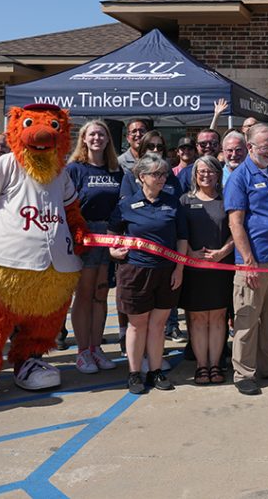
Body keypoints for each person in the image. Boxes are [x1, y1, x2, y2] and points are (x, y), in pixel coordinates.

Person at [107, 155, 188, 395]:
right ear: (141, 177)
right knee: (137, 324)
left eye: (164, 174)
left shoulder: (174, 204)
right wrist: (114, 250)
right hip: (135, 272)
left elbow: (182, 239)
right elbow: (112, 236)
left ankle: (155, 370)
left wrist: (179, 269)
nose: (162, 178)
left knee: (158, 325)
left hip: (166, 272)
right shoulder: (126, 205)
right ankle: (134, 373)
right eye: (156, 174)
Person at [225, 123, 268, 396]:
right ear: (250, 147)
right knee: (247, 319)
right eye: (264, 147)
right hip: (254, 261)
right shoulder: (239, 177)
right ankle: (244, 372)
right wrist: (248, 261)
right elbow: (236, 223)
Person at [66, 120, 124, 375]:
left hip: (109, 236)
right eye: (92, 134)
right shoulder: (75, 169)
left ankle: (96, 347)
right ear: (84, 139)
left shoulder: (116, 170)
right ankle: (82, 351)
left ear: (108, 139)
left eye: (101, 134)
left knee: (101, 294)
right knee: (85, 294)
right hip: (85, 236)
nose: (97, 138)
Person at [180, 156, 235, 385]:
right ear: (195, 174)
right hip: (194, 270)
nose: (206, 175)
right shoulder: (185, 200)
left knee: (219, 317)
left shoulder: (227, 199)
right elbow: (179, 233)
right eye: (201, 171)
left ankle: (216, 364)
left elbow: (237, 229)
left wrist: (223, 251)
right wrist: (190, 254)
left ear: (218, 174)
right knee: (198, 318)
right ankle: (202, 366)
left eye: (211, 171)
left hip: (221, 268)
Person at [120, 132, 182, 199]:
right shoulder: (130, 177)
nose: (155, 150)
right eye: (151, 146)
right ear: (143, 150)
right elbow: (125, 205)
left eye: (160, 147)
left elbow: (178, 202)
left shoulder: (171, 177)